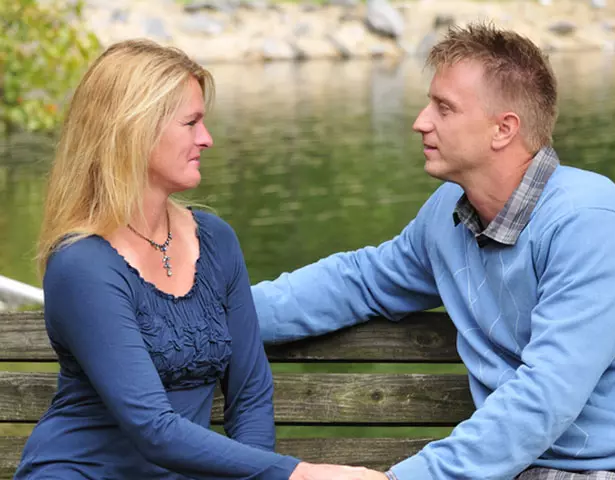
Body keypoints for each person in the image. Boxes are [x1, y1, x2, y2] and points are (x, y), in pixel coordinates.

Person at [251, 22, 615, 480]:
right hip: (528, 466)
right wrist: (212, 313)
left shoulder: (590, 223)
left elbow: (545, 397)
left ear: (503, 129)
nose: (420, 122)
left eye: (444, 108)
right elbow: (362, 282)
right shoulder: (447, 215)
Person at [14, 39, 371, 480]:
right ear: (135, 129)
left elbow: (250, 395)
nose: (207, 139)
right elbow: (153, 429)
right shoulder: (82, 264)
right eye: (191, 123)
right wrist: (297, 473)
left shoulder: (216, 241)